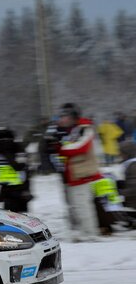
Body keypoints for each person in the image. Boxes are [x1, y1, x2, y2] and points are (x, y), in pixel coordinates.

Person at [54, 103, 103, 241]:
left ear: (73, 117)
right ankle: (83, 233)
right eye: (61, 116)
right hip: (72, 175)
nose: (62, 119)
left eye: (65, 116)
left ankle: (90, 234)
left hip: (83, 173)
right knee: (76, 207)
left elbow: (80, 148)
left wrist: (60, 148)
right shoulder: (69, 131)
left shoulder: (84, 128)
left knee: (83, 206)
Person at [0, 128, 32, 212]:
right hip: (19, 184)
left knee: (9, 214)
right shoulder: (17, 147)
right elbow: (21, 166)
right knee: (21, 215)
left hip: (5, 185)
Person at [119, 141, 136, 210]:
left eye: (121, 152)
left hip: (133, 205)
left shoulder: (133, 166)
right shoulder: (131, 164)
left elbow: (134, 188)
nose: (119, 154)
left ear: (126, 153)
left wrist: (119, 193)